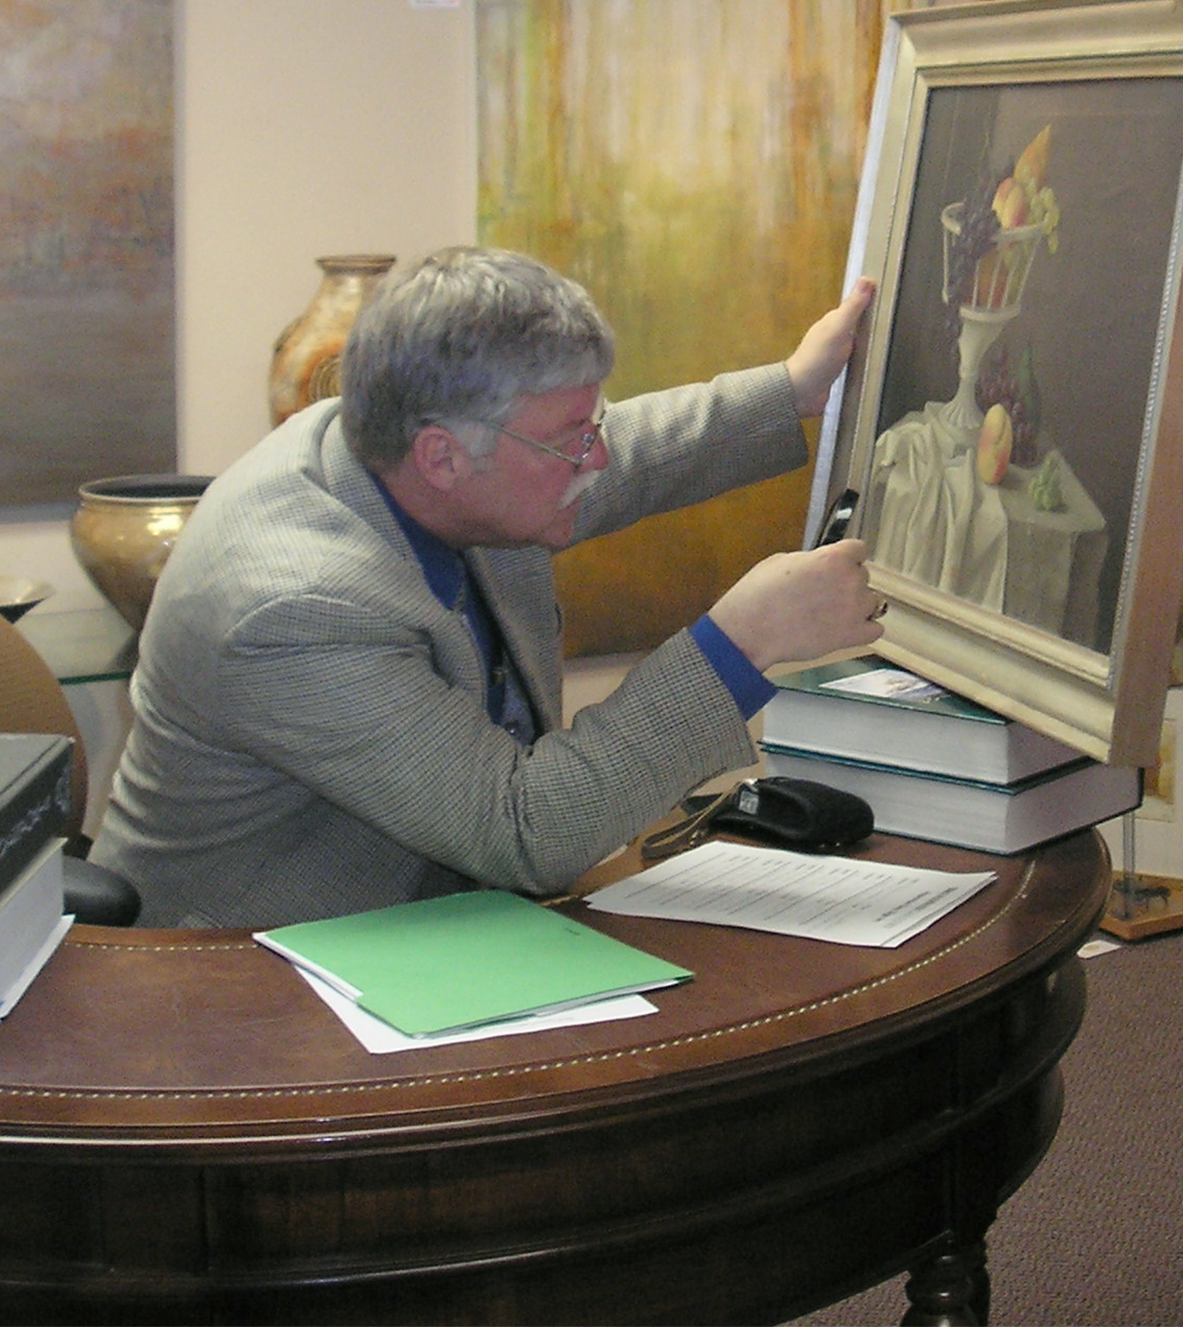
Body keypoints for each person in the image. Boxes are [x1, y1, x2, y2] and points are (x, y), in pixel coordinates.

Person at [93, 247, 883, 928]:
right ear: (442, 458)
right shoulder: (291, 609)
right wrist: (741, 644)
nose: (595, 457)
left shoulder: (396, 440)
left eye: (590, 423)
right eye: (570, 439)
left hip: (432, 929)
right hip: (244, 996)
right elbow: (526, 832)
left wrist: (793, 391)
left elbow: (620, 455)